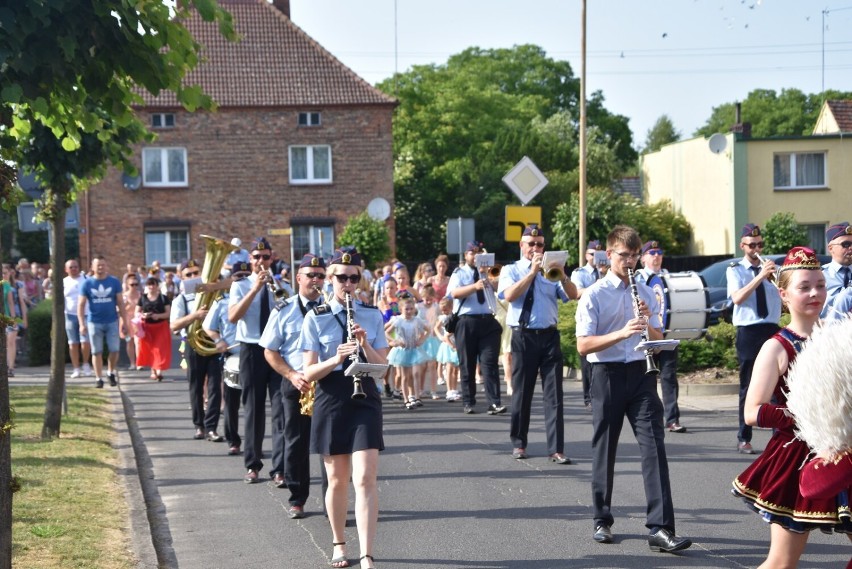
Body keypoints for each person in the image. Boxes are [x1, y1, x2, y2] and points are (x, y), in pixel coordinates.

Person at [732, 246, 852, 568]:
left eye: (820, 284)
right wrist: (811, 418)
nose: (815, 293)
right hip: (797, 459)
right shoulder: (776, 347)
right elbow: (752, 411)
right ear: (784, 294)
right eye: (804, 287)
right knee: (782, 563)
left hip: (844, 454)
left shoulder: (838, 335)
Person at [575, 224, 692, 553]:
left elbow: (655, 337)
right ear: (609, 255)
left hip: (642, 372)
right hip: (607, 373)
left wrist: (650, 325)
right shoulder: (594, 294)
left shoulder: (643, 289)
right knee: (605, 448)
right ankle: (602, 518)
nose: (629, 262)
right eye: (623, 256)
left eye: (634, 256)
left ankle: (660, 528)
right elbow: (584, 345)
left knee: (655, 448)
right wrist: (623, 332)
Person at [299, 246, 388, 569]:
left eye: (354, 278)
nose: (348, 284)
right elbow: (308, 371)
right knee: (337, 478)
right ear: (330, 280)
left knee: (365, 477)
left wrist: (364, 344)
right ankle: (339, 543)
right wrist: (335, 358)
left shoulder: (372, 314)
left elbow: (384, 366)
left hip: (364, 393)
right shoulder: (315, 316)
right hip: (332, 395)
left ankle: (367, 553)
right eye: (341, 278)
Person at [498, 224, 578, 462]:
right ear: (521, 245)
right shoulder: (511, 270)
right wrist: (532, 272)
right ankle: (519, 443)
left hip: (549, 337)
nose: (535, 248)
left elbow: (572, 295)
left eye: (540, 244)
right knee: (522, 393)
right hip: (523, 336)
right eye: (530, 244)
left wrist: (562, 275)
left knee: (554, 396)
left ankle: (556, 449)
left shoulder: (551, 270)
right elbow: (510, 296)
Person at [260, 253, 327, 518]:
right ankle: (297, 498)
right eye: (311, 275)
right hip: (296, 383)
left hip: (326, 384)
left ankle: (333, 503)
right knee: (296, 443)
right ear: (298, 278)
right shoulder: (283, 309)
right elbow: (270, 351)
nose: (316, 280)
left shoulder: (333, 308)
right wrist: (290, 374)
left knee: (329, 446)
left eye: (321, 275)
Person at [228, 237, 284, 484]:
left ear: (272, 259)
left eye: (266, 257)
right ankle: (252, 464)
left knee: (281, 409)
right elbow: (233, 317)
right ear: (250, 260)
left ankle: (280, 467)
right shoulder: (239, 286)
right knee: (253, 408)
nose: (261, 262)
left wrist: (274, 288)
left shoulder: (281, 285)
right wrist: (255, 289)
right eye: (257, 258)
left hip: (276, 350)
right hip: (250, 349)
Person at [726, 223, 781, 454]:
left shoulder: (772, 270)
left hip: (772, 328)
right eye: (751, 245)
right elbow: (737, 298)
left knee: (779, 385)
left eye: (759, 244)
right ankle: (744, 437)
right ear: (742, 246)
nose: (756, 248)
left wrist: (775, 277)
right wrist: (760, 277)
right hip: (748, 331)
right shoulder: (735, 269)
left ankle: (779, 437)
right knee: (748, 385)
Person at [447, 241, 505, 415]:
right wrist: (474, 286)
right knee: (467, 364)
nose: (475, 255)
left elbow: (499, 290)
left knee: (490, 363)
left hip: (487, 320)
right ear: (466, 255)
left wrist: (488, 277)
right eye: (472, 253)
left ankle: (494, 402)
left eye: (478, 252)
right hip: (467, 322)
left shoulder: (488, 272)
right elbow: (454, 293)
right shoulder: (459, 273)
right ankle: (468, 401)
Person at [635, 240, 685, 433]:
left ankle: (672, 419)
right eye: (651, 253)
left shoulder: (668, 278)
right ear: (643, 258)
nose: (656, 256)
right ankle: (648, 415)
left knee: (669, 376)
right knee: (647, 377)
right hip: (647, 334)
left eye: (659, 252)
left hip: (667, 334)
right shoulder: (638, 279)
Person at [170, 259, 223, 441]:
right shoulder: (180, 299)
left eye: (195, 273)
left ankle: (211, 427)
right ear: (182, 278)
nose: (193, 277)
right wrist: (195, 315)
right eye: (189, 275)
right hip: (193, 344)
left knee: (215, 387)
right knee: (196, 387)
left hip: (213, 343)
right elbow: (174, 325)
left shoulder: (213, 294)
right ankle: (199, 425)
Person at [203, 261, 251, 456]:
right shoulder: (222, 302)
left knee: (252, 405)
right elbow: (208, 326)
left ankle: (252, 445)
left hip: (253, 355)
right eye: (239, 276)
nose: (243, 280)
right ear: (231, 279)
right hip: (232, 356)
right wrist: (218, 340)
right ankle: (233, 439)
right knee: (231, 404)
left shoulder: (256, 299)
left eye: (246, 276)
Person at [78, 257, 127, 388]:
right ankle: (98, 378)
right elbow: (81, 305)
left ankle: (110, 372)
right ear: (92, 267)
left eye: (103, 265)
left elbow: (120, 303)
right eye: (98, 265)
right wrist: (82, 324)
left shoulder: (114, 282)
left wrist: (125, 321)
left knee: (115, 349)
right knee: (96, 351)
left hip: (112, 321)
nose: (101, 267)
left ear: (107, 266)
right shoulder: (87, 284)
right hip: (94, 322)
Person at [571, 239, 604, 409]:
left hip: (605, 318)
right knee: (587, 363)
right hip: (587, 317)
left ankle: (601, 394)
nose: (596, 258)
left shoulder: (607, 271)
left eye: (600, 254)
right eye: (593, 254)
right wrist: (597, 287)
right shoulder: (580, 272)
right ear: (586, 255)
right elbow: (576, 292)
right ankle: (588, 397)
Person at [385, 294, 429, 410]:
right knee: (404, 376)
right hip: (403, 351)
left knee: (415, 374)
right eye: (406, 309)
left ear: (414, 309)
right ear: (401, 309)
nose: (409, 311)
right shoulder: (398, 321)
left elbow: (428, 330)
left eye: (411, 309)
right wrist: (395, 341)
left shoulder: (417, 320)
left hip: (414, 350)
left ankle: (416, 396)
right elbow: (386, 332)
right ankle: (406, 399)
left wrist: (421, 339)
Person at [136, 276, 171, 381]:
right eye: (149, 284)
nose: (151, 286)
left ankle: (159, 370)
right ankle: (153, 371)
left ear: (157, 286)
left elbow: (168, 313)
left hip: (161, 327)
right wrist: (143, 315)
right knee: (150, 349)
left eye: (153, 284)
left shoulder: (163, 298)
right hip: (147, 327)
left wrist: (159, 316)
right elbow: (137, 312)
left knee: (159, 348)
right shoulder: (142, 298)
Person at [63, 259, 92, 379]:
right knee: (73, 343)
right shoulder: (64, 282)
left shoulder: (85, 280)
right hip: (70, 315)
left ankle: (85, 363)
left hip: (85, 314)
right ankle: (76, 368)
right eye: (71, 267)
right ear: (66, 270)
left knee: (85, 341)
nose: (74, 269)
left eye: (75, 266)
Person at [820, 221, 852, 319]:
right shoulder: (820, 276)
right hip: (826, 331)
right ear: (830, 248)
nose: (851, 248)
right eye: (846, 244)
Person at [121, 273, 142, 370]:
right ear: (127, 285)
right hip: (127, 321)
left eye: (136, 284)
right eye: (132, 285)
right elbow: (119, 309)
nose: (134, 287)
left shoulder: (141, 295)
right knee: (129, 342)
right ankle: (132, 363)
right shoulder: (124, 296)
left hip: (138, 321)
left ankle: (139, 362)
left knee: (138, 342)